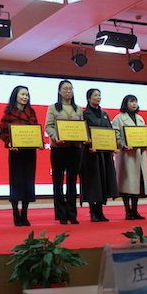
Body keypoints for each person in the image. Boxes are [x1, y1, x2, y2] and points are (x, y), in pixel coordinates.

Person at [44, 80, 85, 225]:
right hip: (58, 148)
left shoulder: (78, 109)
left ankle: (72, 214)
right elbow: (49, 126)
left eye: (70, 89)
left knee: (72, 182)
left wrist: (84, 137)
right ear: (59, 91)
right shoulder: (53, 108)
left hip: (75, 148)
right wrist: (55, 136)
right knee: (58, 181)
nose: (68, 91)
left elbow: (82, 127)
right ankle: (61, 214)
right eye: (65, 88)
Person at [0, 85, 39, 226]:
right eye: (22, 94)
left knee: (28, 183)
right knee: (16, 183)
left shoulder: (31, 112)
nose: (25, 97)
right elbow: (2, 131)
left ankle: (25, 213)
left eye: (26, 95)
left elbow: (36, 130)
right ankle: (16, 213)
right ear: (15, 95)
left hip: (30, 152)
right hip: (15, 152)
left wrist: (38, 142)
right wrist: (9, 142)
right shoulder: (9, 112)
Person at [112, 95, 147, 220]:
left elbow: (144, 135)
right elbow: (115, 134)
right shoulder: (119, 118)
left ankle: (135, 210)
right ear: (125, 103)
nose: (134, 104)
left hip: (139, 154)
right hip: (126, 154)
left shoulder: (140, 118)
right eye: (131, 102)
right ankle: (127, 210)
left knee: (137, 184)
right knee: (127, 183)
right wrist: (123, 144)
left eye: (135, 101)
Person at [81, 88, 119, 222]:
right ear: (88, 98)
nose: (98, 97)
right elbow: (83, 132)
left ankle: (101, 211)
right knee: (93, 182)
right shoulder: (84, 114)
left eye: (99, 95)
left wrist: (113, 146)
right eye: (95, 95)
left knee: (103, 181)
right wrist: (88, 143)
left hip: (104, 153)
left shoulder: (104, 114)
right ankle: (93, 211)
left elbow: (109, 132)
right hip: (91, 153)